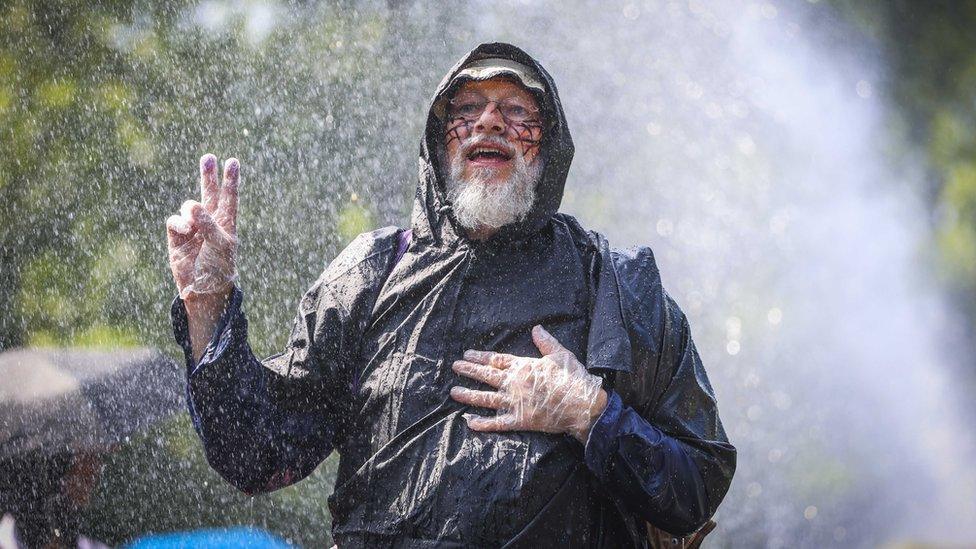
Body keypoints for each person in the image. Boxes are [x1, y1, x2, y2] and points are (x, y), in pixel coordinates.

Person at [165, 42, 736, 548]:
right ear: (441, 144)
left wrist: (591, 415)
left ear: (548, 146)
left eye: (517, 111)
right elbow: (257, 454)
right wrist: (207, 306)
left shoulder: (615, 287)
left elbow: (696, 487)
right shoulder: (369, 276)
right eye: (466, 111)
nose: (489, 122)